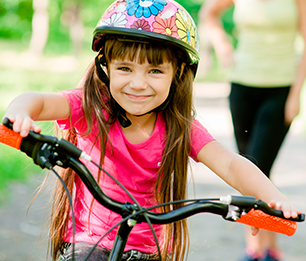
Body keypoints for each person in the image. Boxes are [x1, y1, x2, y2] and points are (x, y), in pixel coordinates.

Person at [2, 0, 301, 261]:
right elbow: (38, 101)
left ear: (178, 73)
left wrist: (271, 198)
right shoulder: (91, 107)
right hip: (88, 244)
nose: (138, 84)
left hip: (150, 250)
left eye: (155, 71)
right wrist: (20, 114)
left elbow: (230, 163)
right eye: (125, 68)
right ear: (105, 67)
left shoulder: (178, 127)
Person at [200, 0, 306, 260]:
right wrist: (223, 46)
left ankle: (256, 251)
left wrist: (295, 94)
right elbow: (208, 13)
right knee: (254, 169)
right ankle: (271, 249)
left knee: (256, 166)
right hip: (241, 87)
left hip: (280, 89)